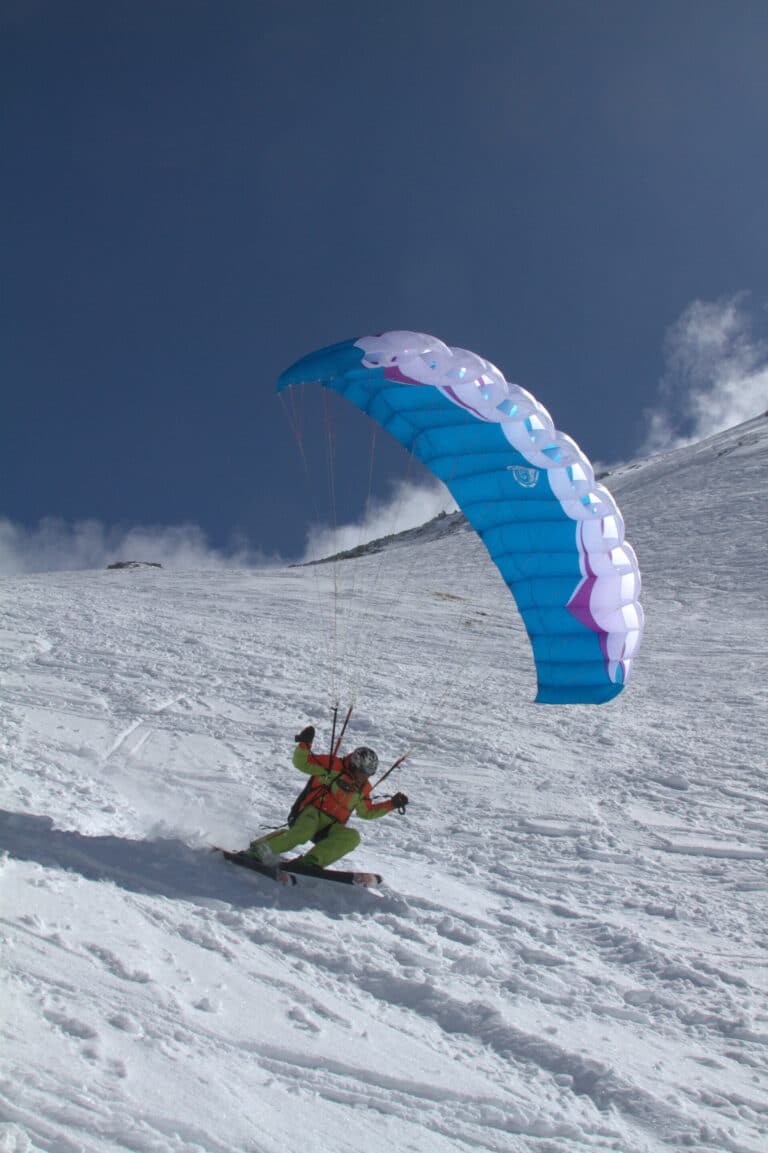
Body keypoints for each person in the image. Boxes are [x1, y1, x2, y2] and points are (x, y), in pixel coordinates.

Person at [247, 724, 408, 869]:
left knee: (352, 837)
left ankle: (311, 861)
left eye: (369, 774)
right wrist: (304, 744)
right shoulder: (334, 766)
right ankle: (260, 850)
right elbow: (303, 763)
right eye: (362, 772)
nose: (364, 777)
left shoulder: (363, 787)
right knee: (303, 833)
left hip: (331, 826)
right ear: (354, 764)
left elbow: (366, 812)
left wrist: (392, 804)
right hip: (311, 814)